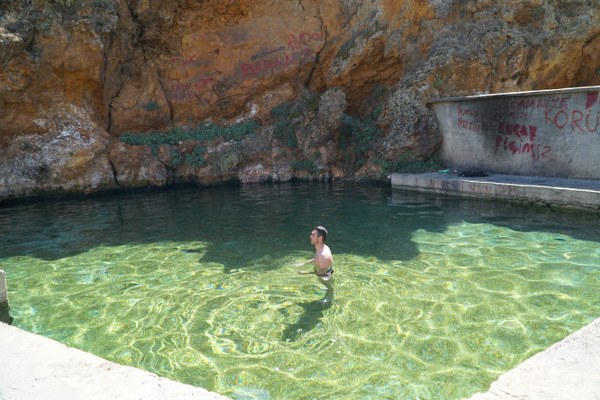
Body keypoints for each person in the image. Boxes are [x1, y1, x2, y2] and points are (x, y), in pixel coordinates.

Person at [299, 226, 334, 301]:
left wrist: (306, 273)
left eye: (313, 235)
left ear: (320, 238)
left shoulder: (323, 255)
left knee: (330, 288)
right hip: (325, 272)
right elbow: (317, 259)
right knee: (328, 286)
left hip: (325, 277)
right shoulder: (321, 248)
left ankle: (330, 298)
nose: (310, 236)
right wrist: (305, 263)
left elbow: (323, 273)